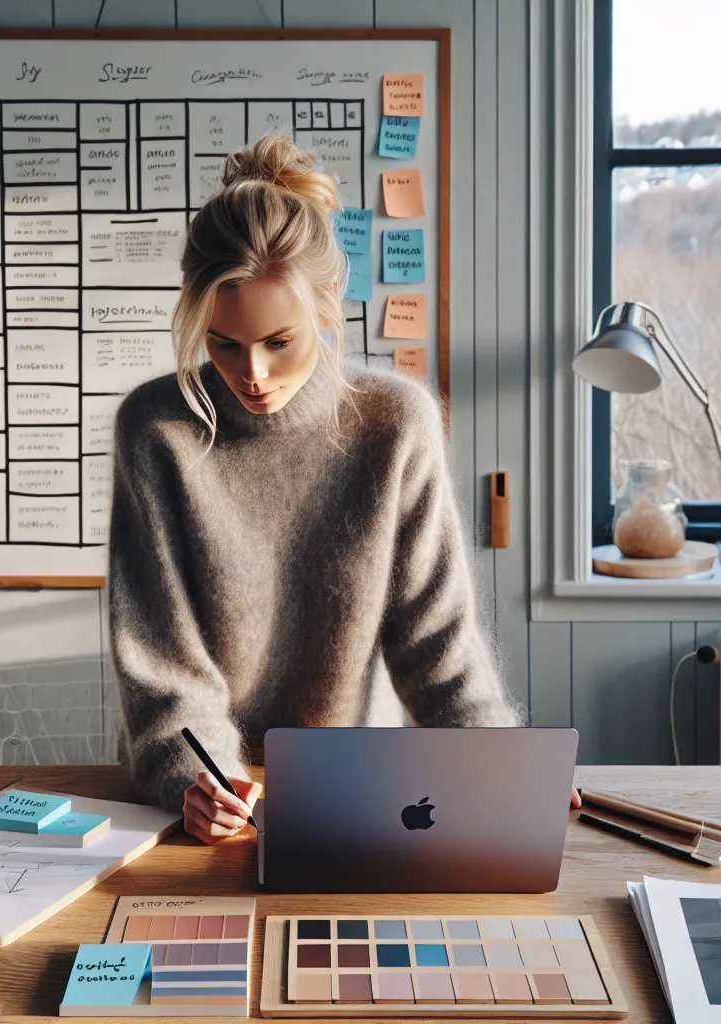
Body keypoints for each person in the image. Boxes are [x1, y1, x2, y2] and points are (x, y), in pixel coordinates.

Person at [108, 134, 524, 844]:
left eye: (279, 341)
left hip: (363, 797)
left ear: (329, 300)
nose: (254, 375)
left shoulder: (394, 423)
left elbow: (439, 645)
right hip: (215, 808)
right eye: (224, 343)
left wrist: (508, 771)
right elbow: (165, 668)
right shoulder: (156, 431)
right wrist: (197, 776)